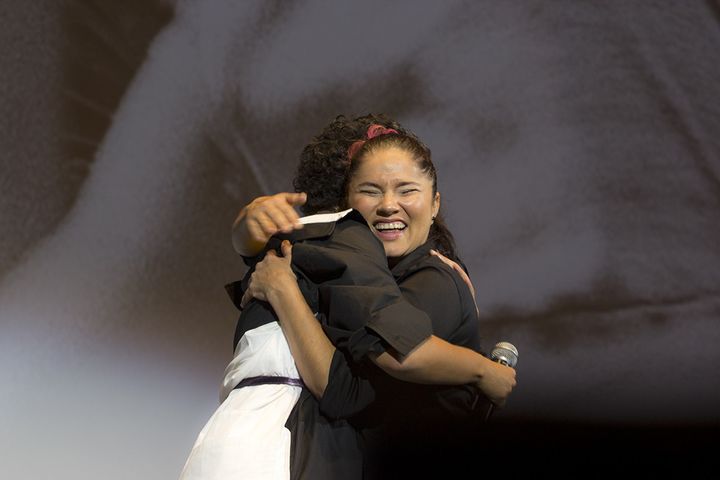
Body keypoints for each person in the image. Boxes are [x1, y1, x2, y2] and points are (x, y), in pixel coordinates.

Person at [178, 114, 516, 479]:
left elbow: (356, 382)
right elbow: (353, 386)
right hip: (270, 447)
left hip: (235, 441)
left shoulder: (433, 278)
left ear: (435, 203)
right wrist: (485, 371)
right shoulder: (341, 255)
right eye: (371, 190)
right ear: (347, 202)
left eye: (407, 190)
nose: (388, 204)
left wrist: (281, 288)